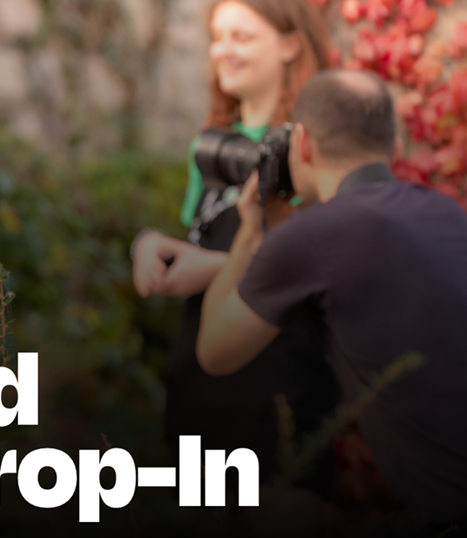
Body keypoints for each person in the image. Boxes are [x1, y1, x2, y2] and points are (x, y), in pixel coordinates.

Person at [198, 69, 467, 535]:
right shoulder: (445, 211)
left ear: (301, 144)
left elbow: (215, 352)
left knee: (272, 516)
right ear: (395, 147)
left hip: (445, 520)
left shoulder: (313, 236)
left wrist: (252, 230)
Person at [131, 0, 341, 502]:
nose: (224, 50)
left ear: (292, 43)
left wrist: (212, 269)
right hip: (199, 387)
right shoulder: (210, 147)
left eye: (242, 37)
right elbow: (201, 240)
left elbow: (325, 264)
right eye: (217, 36)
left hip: (278, 393)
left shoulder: (314, 147)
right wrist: (150, 245)